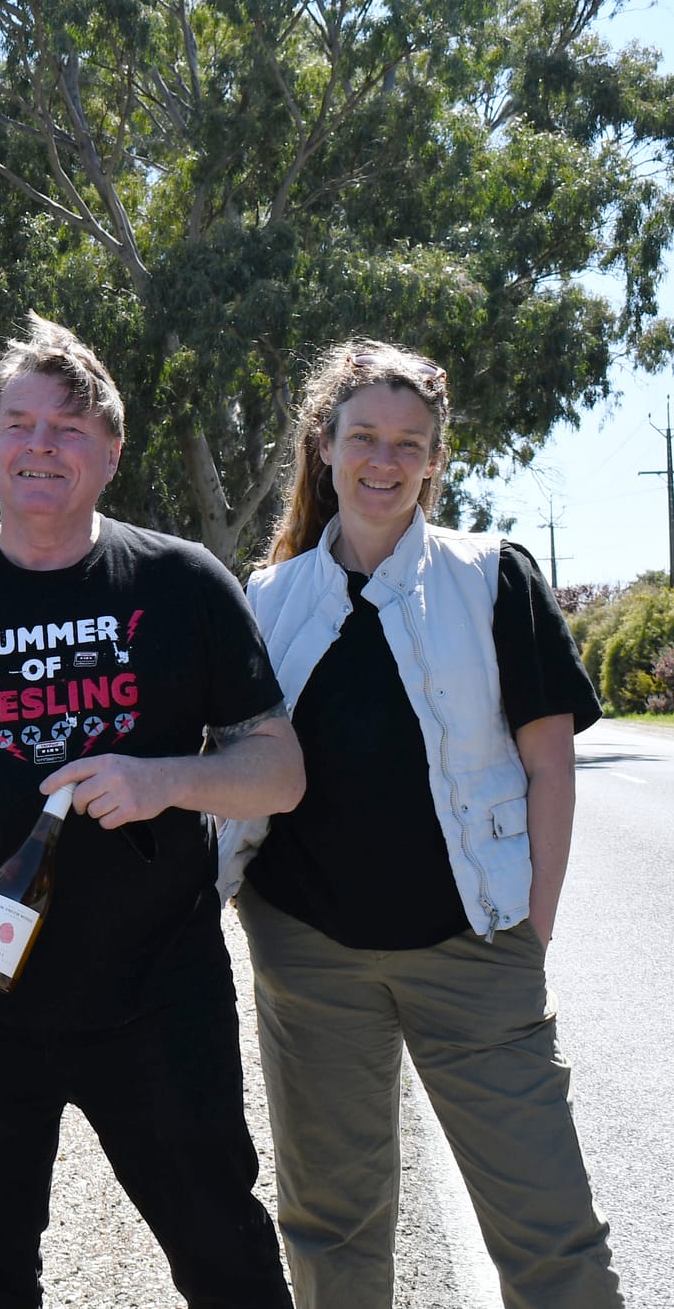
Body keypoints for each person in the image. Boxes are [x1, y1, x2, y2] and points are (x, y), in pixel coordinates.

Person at [0, 314, 303, 1308]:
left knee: (224, 1255)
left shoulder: (180, 583)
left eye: (68, 426)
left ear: (110, 452)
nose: (39, 445)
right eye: (18, 423)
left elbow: (277, 769)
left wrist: (162, 779)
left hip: (156, 995)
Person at [218, 341, 623, 1307]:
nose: (385, 462)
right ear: (325, 446)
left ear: (438, 458)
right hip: (309, 955)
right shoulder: (268, 602)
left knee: (549, 1232)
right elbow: (234, 770)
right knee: (331, 1225)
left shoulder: (492, 579)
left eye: (411, 443)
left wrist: (532, 931)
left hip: (477, 947)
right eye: (364, 437)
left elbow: (549, 769)